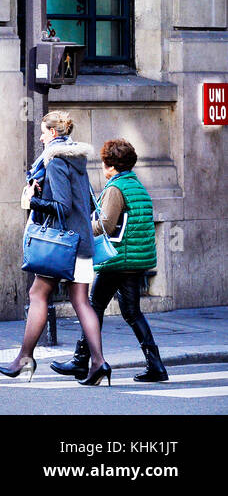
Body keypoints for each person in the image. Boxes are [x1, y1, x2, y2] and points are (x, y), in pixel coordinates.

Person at [0, 111, 110, 385]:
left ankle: (24, 359)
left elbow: (62, 206)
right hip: (81, 241)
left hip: (62, 244)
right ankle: (99, 363)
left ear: (54, 134)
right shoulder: (76, 160)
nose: (40, 136)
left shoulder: (57, 161)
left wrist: (33, 199)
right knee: (82, 301)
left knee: (37, 294)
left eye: (44, 132)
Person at [50, 138, 168, 383]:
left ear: (111, 166)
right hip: (134, 260)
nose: (102, 169)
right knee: (132, 313)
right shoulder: (136, 186)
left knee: (93, 307)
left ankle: (82, 360)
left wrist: (81, 227)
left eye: (104, 164)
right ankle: (155, 365)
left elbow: (106, 224)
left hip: (117, 260)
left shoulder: (116, 189)